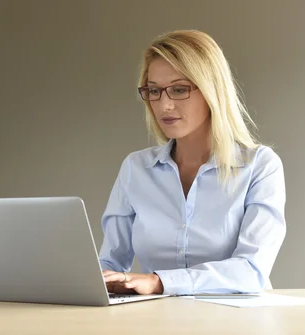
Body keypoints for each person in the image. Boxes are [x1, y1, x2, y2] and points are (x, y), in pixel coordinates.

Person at [99, 30, 286, 296]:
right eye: (154, 91)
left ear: (212, 91)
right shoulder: (136, 168)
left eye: (178, 89)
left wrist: (159, 282)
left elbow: (252, 270)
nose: (164, 105)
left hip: (238, 322)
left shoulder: (260, 166)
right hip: (155, 321)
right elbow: (110, 263)